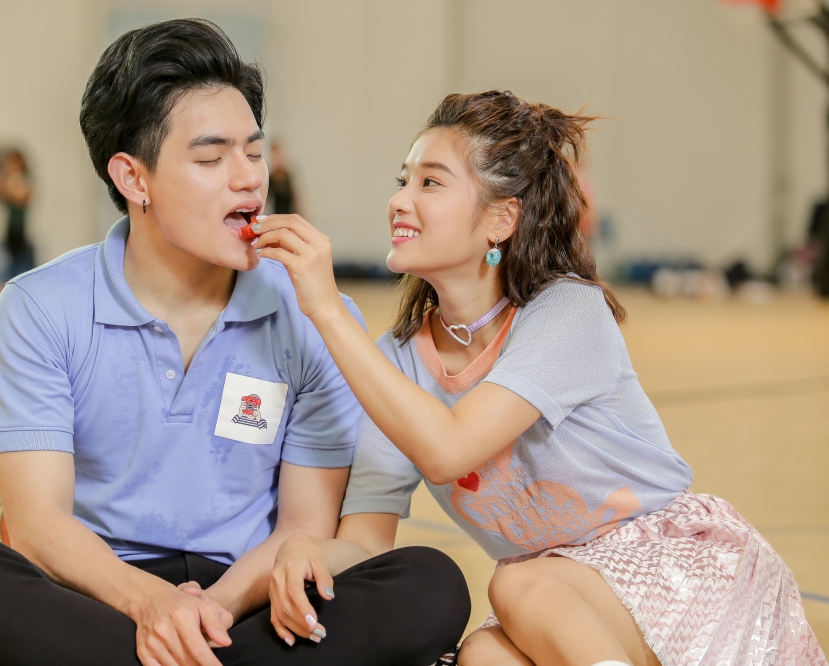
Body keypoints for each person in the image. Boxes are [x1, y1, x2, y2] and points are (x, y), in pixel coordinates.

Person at [0, 19, 469, 666]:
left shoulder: (315, 315)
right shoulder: (39, 307)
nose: (248, 179)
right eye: (211, 159)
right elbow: (39, 526)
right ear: (133, 178)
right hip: (104, 595)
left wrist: (214, 610)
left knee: (430, 583)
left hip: (249, 598)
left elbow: (304, 529)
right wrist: (153, 605)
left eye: (254, 153)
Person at [252, 90, 827, 665]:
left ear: (501, 220)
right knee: (484, 655)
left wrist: (326, 307)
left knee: (517, 585)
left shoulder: (568, 310)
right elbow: (365, 543)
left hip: (679, 566)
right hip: (558, 593)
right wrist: (307, 550)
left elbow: (448, 450)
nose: (399, 201)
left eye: (429, 183)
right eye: (403, 181)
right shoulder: (396, 362)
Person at [0, 149, 35, 280]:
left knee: (20, 256)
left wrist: (11, 193)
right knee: (10, 255)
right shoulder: (9, 178)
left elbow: (23, 198)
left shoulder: (23, 178)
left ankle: (22, 279)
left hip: (19, 224)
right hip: (10, 223)